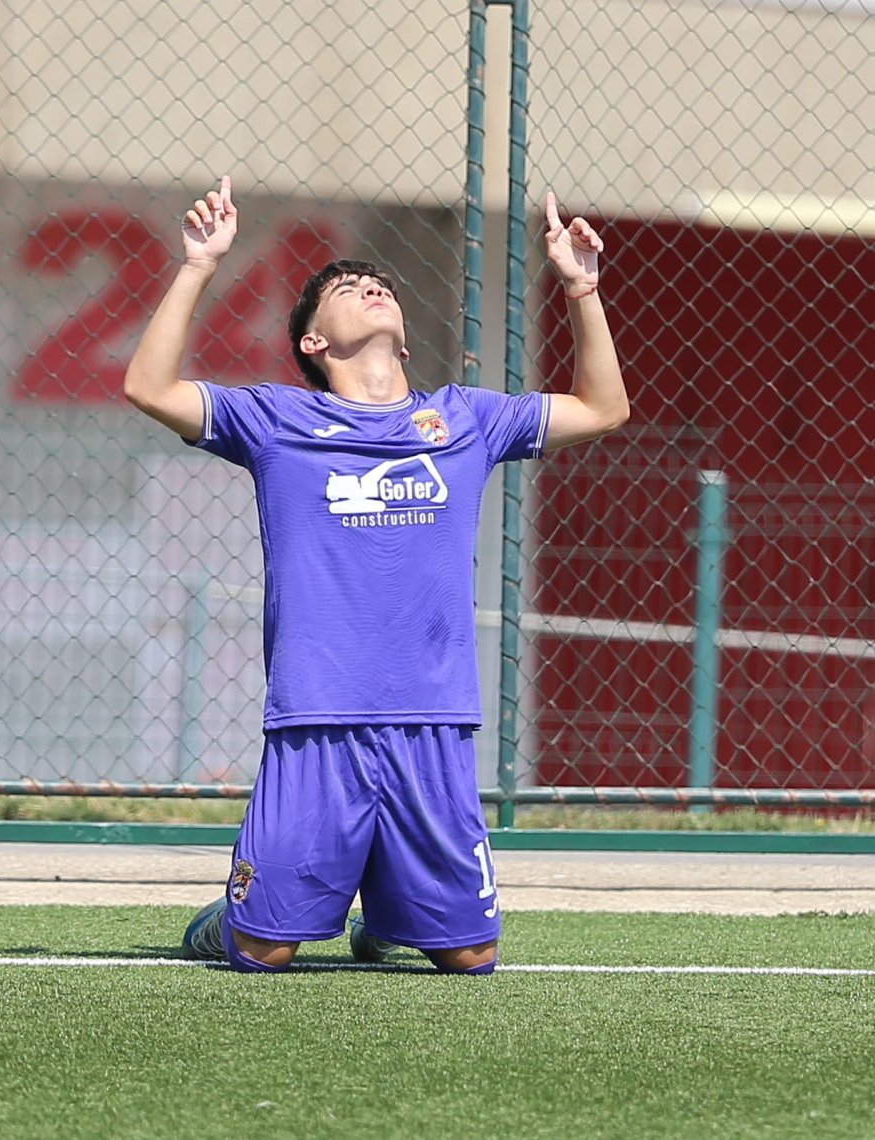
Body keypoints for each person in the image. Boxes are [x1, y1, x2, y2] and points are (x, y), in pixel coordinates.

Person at [124, 175, 628, 974]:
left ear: (403, 336)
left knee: (471, 959)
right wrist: (198, 265)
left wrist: (581, 289)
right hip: (317, 715)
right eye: (343, 289)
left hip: (433, 716)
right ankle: (230, 920)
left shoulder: (464, 418)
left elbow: (602, 409)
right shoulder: (277, 421)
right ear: (313, 345)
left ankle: (391, 918)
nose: (369, 286)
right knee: (264, 951)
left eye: (378, 284)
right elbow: (148, 388)